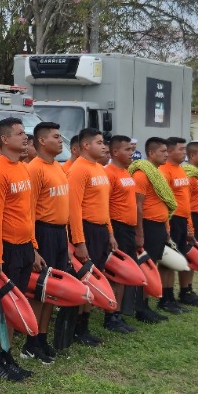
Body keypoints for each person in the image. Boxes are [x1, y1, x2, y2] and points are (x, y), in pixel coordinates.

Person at [0, 118, 40, 381]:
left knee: (14, 305)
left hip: (24, 246)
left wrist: (34, 247)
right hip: (5, 248)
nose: (25, 137)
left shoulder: (22, 168)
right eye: (19, 133)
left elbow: (27, 213)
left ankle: (7, 355)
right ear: (4, 140)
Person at [105, 135, 163, 326]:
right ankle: (110, 315)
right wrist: (110, 233)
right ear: (115, 152)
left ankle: (119, 313)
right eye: (127, 150)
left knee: (126, 272)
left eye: (132, 149)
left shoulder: (126, 173)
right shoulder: (109, 173)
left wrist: (138, 231)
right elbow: (104, 206)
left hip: (129, 229)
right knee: (116, 273)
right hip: (118, 228)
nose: (132, 153)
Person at [66, 128, 117, 340]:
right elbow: (73, 208)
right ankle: (76, 328)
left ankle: (84, 325)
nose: (104, 147)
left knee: (96, 277)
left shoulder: (99, 169)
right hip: (86, 230)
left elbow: (104, 206)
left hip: (101, 230)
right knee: (84, 279)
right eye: (99, 142)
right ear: (86, 145)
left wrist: (110, 233)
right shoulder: (78, 169)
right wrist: (79, 241)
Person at [24, 121, 69, 359]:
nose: (61, 141)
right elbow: (28, 211)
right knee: (39, 289)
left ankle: (42, 336)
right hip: (43, 232)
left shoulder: (57, 167)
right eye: (56, 137)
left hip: (59, 233)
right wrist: (33, 248)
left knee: (52, 290)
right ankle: (30, 341)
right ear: (42, 141)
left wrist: (67, 241)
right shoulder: (35, 169)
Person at [128, 137, 185, 315]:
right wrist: (139, 233)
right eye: (163, 151)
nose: (166, 154)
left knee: (154, 265)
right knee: (147, 266)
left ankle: (150, 303)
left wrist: (166, 226)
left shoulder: (157, 173)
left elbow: (164, 202)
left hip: (159, 225)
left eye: (167, 151)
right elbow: (137, 205)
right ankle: (141, 307)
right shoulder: (141, 174)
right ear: (151, 153)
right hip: (148, 225)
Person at [161, 139, 198, 307]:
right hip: (174, 220)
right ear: (169, 151)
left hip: (187, 219)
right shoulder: (165, 171)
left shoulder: (183, 171)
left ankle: (186, 291)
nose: (184, 152)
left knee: (187, 256)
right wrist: (167, 224)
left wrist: (189, 224)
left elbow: (185, 202)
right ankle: (167, 296)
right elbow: (166, 201)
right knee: (170, 259)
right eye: (181, 149)